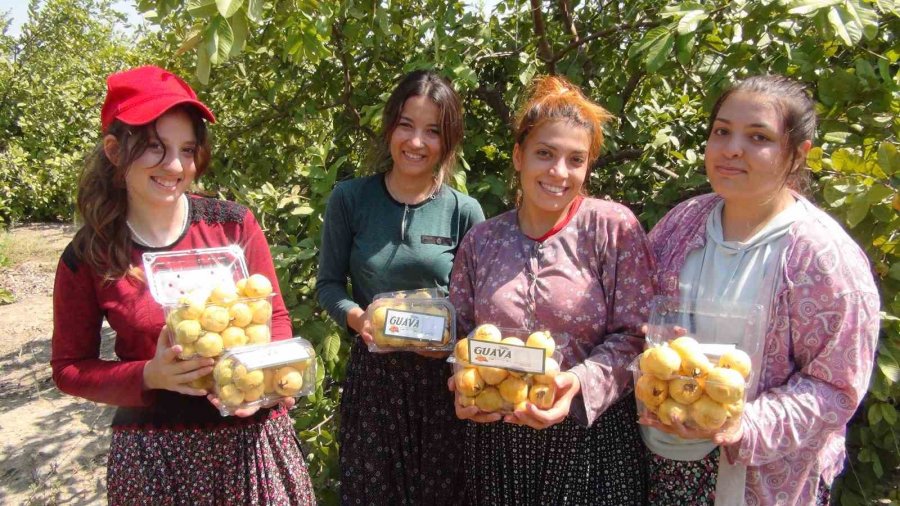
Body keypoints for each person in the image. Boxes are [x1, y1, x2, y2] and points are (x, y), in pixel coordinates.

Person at [50, 65, 315, 504]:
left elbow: (276, 316)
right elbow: (69, 368)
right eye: (155, 147)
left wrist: (267, 383)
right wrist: (149, 375)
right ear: (115, 151)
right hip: (157, 457)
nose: (175, 166)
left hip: (250, 443)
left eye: (187, 149)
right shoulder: (91, 256)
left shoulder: (232, 225)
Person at [641, 75, 880, 505]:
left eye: (758, 137)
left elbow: (836, 387)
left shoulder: (823, 260)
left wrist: (743, 424)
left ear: (796, 155)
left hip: (767, 482)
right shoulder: (681, 225)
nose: (732, 148)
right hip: (668, 463)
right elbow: (640, 315)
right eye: (722, 131)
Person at [448, 75, 654, 505]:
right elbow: (461, 332)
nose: (559, 172)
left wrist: (575, 384)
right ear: (519, 156)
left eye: (575, 160)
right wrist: (463, 383)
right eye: (545, 154)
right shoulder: (483, 241)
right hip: (498, 447)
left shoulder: (611, 228)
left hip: (589, 443)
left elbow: (636, 336)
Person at [315, 70, 485, 505]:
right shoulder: (350, 199)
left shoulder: (463, 211)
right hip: (375, 384)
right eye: (406, 125)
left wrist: (451, 341)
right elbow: (329, 285)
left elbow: (480, 306)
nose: (416, 142)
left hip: (442, 386)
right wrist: (358, 319)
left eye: (432, 131)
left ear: (448, 141)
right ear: (390, 126)